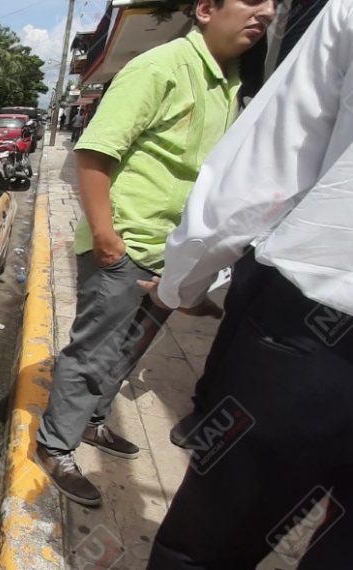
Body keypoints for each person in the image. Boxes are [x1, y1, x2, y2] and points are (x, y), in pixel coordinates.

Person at [33, 0, 275, 507]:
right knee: (93, 349)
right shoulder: (159, 68)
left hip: (171, 253)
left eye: (272, 2)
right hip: (124, 246)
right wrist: (107, 240)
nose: (268, 11)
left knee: (129, 350)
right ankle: (55, 446)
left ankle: (94, 422)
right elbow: (95, 152)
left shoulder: (229, 81)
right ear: (206, 9)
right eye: (252, 0)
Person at [137, 0, 352, 566]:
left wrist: (181, 285)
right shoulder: (159, 66)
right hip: (316, 318)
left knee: (208, 545)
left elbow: (258, 177)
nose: (266, 12)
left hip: (312, 327)